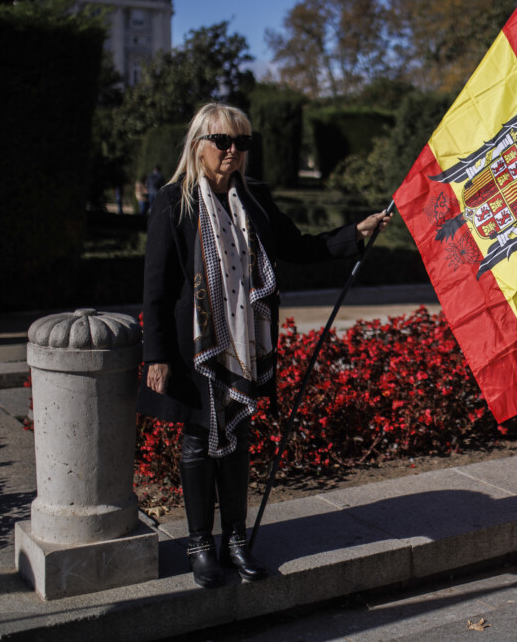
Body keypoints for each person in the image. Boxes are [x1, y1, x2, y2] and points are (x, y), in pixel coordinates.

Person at [140, 103, 390, 589]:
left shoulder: (254, 198)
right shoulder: (175, 202)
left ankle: (235, 541)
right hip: (197, 344)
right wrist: (156, 354)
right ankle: (199, 547)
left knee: (237, 439)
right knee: (197, 440)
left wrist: (352, 236)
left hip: (246, 342)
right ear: (199, 144)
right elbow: (155, 286)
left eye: (243, 143)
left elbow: (297, 246)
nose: (233, 151)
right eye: (224, 141)